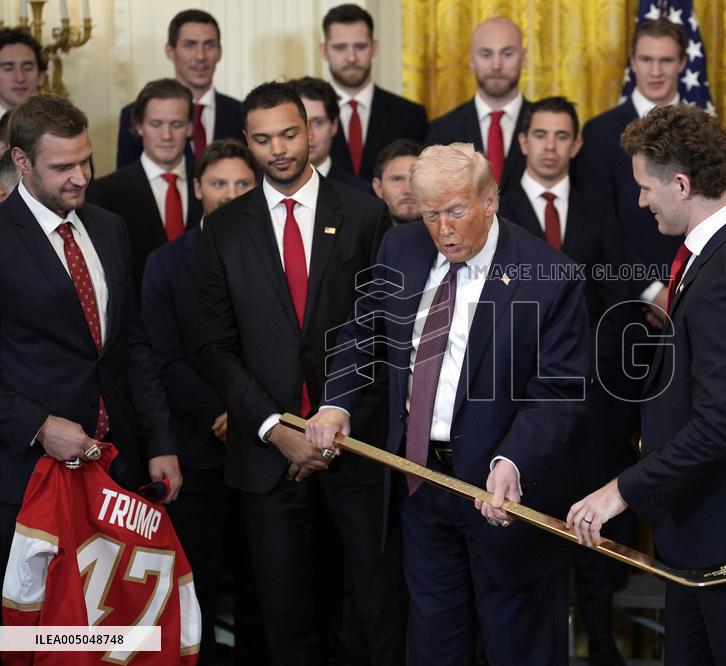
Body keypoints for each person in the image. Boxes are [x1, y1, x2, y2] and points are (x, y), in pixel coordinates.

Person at [306, 142, 590, 666]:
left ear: (490, 200)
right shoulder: (400, 248)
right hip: (420, 487)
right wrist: (336, 403)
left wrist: (512, 461)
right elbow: (361, 332)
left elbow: (558, 391)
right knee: (434, 645)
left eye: (456, 211)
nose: (443, 230)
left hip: (505, 497)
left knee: (516, 647)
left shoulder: (551, 275)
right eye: (430, 214)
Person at [567, 104, 726, 664]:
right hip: (707, 529)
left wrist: (620, 491)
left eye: (645, 187)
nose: (639, 201)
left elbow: (718, 426)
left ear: (681, 183)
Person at [196, 82, 404, 665]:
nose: (279, 149)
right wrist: (274, 428)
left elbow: (385, 334)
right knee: (285, 620)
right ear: (248, 142)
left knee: (374, 610)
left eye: (289, 133)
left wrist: (339, 425)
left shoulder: (365, 214)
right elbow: (214, 347)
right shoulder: (225, 227)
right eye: (263, 140)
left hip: (356, 449)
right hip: (267, 457)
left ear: (310, 130)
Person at [0, 93, 180, 583]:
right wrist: (39, 426)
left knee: (107, 633)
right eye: (63, 167)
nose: (81, 177)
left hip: (118, 469)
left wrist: (160, 442)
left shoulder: (108, 227)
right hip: (27, 475)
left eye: (86, 160)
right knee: (34, 637)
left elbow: (133, 346)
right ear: (21, 161)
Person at [499, 96, 632, 666]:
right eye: (540, 134)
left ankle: (601, 642)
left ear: (577, 145)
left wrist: (580, 365)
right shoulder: (496, 209)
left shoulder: (600, 207)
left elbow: (614, 298)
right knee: (527, 528)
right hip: (515, 403)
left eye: (562, 136)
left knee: (591, 520)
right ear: (523, 142)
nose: (551, 146)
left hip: (591, 400)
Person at [141, 139, 259, 664]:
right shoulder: (166, 263)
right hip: (196, 449)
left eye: (242, 184)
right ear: (197, 189)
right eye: (219, 184)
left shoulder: (275, 257)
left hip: (264, 444)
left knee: (264, 580)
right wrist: (219, 410)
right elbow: (161, 356)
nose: (230, 195)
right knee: (199, 582)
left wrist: (248, 412)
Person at [577, 18, 688, 315]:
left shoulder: (700, 129)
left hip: (695, 295)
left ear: (682, 63)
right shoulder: (600, 132)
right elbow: (600, 227)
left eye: (665, 60)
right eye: (646, 59)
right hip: (621, 305)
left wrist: (684, 290)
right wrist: (651, 292)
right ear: (632, 62)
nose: (655, 71)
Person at [89, 79, 201, 291]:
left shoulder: (211, 183)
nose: (166, 136)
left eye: (176, 125)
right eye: (156, 124)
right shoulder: (104, 193)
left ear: (188, 127)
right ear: (139, 126)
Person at [116, 9, 243, 168]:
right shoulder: (134, 114)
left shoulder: (241, 113)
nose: (200, 56)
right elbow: (126, 184)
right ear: (170, 51)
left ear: (219, 52)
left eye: (209, 45)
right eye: (190, 45)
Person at [321, 3, 428, 180]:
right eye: (340, 47)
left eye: (360, 46)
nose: (351, 57)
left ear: (374, 47)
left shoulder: (411, 115)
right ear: (324, 51)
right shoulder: (304, 114)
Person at [425, 17, 529, 192]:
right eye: (486, 54)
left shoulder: (548, 129)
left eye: (507, 53)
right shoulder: (442, 130)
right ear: (472, 59)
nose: (496, 65)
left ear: (524, 57)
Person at [287, 75, 372, 193]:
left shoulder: (359, 192)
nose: (309, 135)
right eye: (300, 123)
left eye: (317, 123)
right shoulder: (259, 185)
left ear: (334, 125)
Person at [371, 137, 423, 224]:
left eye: (417, 179)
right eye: (397, 179)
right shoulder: (359, 235)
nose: (408, 190)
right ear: (378, 187)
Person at [0, 30, 45, 120]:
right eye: (8, 68)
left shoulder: (60, 125)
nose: (20, 78)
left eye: (28, 68)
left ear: (41, 77)